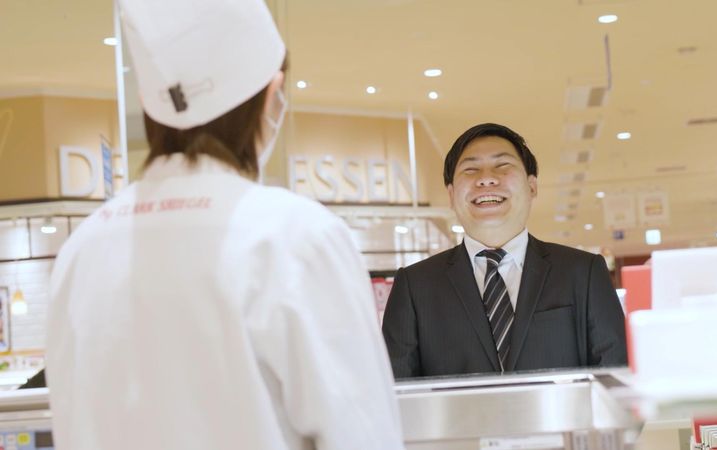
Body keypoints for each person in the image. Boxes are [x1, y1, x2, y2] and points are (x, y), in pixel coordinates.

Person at [45, 1, 404, 449]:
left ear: (148, 108)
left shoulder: (82, 249)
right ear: (273, 93)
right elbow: (362, 434)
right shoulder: (295, 236)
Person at [382, 123, 626, 378]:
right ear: (452, 194)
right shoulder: (414, 286)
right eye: (471, 169)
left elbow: (618, 380)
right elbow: (394, 392)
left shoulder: (583, 272)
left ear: (532, 186)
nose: (486, 179)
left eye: (502, 165)